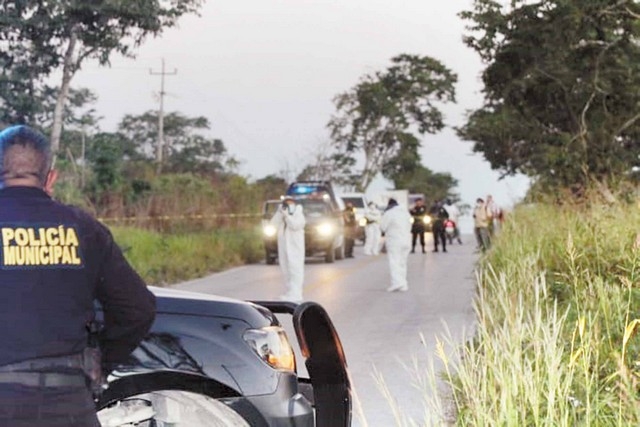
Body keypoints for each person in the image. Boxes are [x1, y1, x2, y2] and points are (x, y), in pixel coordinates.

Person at [0, 125, 156, 426]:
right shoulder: (84, 228)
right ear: (50, 177)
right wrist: (99, 362)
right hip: (69, 402)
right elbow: (138, 309)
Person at [271, 196, 306, 302]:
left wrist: (287, 217)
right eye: (286, 203)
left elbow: (295, 225)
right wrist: (279, 213)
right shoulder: (282, 215)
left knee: (295, 270)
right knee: (285, 269)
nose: (288, 205)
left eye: (290, 203)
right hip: (284, 246)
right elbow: (273, 224)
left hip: (295, 247)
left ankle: (296, 294)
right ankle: (289, 292)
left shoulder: (298, 213)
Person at [380, 198, 412, 292]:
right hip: (406, 240)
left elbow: (383, 227)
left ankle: (397, 283)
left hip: (394, 241)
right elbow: (410, 226)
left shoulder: (389, 213)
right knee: (403, 262)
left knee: (394, 262)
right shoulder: (406, 213)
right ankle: (403, 284)